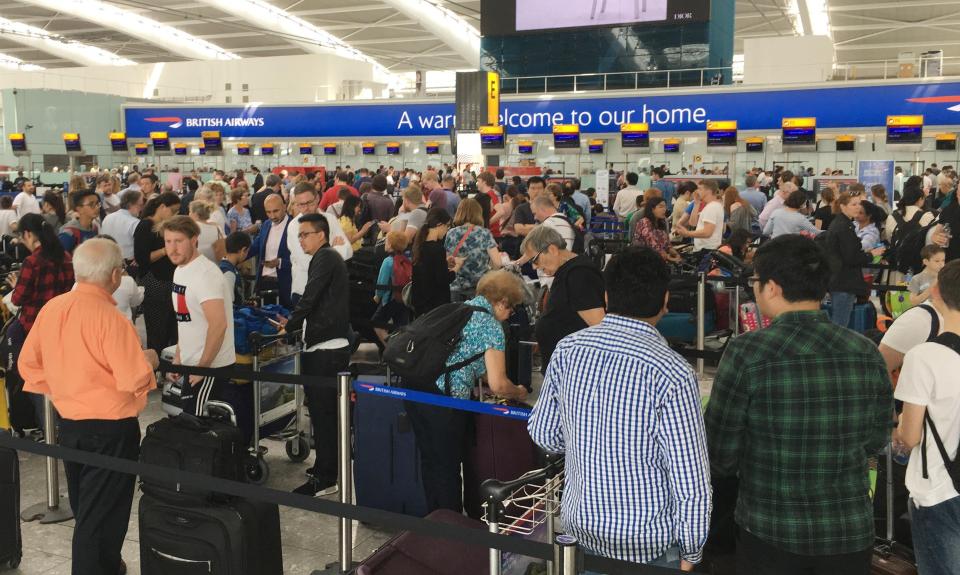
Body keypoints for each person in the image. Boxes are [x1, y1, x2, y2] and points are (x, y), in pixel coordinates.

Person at [705, 234, 893, 575]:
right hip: (849, 529)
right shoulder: (865, 351)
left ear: (773, 287)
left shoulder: (749, 351)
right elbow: (877, 437)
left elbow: (719, 452)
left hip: (770, 527)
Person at [529, 246, 710, 571]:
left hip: (581, 530)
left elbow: (544, 433)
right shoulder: (673, 372)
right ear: (665, 301)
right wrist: (692, 550)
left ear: (607, 297)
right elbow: (690, 479)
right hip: (647, 542)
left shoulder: (569, 350)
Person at [19, 238, 158, 575]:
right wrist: (149, 360)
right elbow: (132, 378)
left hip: (71, 424)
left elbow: (28, 364)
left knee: (88, 508)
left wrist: (64, 386)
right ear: (114, 275)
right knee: (102, 516)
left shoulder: (53, 309)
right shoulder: (110, 320)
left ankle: (110, 566)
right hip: (111, 428)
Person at [406, 270, 528, 512]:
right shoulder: (490, 326)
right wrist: (519, 391)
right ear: (503, 301)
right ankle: (452, 531)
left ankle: (435, 520)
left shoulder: (458, 309)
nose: (510, 315)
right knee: (448, 467)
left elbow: (468, 361)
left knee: (431, 462)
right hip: (446, 402)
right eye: (512, 308)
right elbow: (498, 384)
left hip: (416, 390)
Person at [893, 259, 960, 575]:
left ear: (936, 291)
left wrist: (898, 436)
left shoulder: (925, 356)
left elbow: (910, 437)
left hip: (939, 490)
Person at [279, 214, 352, 496]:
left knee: (323, 416)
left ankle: (325, 478)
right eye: (299, 235)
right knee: (323, 415)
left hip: (326, 349)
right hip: (324, 344)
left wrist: (291, 325)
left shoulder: (325, 258)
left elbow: (310, 297)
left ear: (321, 234)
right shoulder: (327, 258)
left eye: (305, 234)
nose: (301, 239)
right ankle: (325, 467)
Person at [162, 215, 236, 424]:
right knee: (191, 428)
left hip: (210, 367)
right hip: (192, 364)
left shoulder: (206, 274)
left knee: (199, 427)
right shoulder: (180, 271)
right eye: (168, 242)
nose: (172, 248)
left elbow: (218, 325)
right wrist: (178, 358)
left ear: (194, 240)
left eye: (179, 241)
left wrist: (202, 367)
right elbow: (184, 319)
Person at [7, 213, 75, 425]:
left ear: (27, 234)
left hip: (32, 329)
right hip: (61, 327)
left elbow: (18, 299)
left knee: (34, 379)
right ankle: (60, 423)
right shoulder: (65, 257)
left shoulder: (32, 261)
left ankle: (47, 426)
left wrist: (15, 284)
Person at [522, 225, 605, 366]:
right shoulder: (568, 272)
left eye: (534, 260)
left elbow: (599, 327)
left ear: (552, 249)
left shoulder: (579, 274)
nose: (534, 267)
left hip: (575, 368)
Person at [287, 182, 352, 307]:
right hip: (304, 291)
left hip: (330, 291)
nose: (306, 208)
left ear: (317, 198)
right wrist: (333, 248)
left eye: (309, 203)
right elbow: (308, 264)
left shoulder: (330, 219)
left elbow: (348, 251)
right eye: (301, 205)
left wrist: (321, 253)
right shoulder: (294, 226)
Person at [824, 192, 885, 326]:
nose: (858, 207)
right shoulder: (843, 227)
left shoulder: (844, 224)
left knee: (839, 321)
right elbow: (852, 257)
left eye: (859, 204)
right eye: (854, 204)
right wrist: (871, 254)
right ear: (843, 206)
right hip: (844, 280)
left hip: (840, 279)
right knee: (840, 323)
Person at [134, 192, 181, 354]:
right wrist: (165, 250)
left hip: (171, 282)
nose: (175, 215)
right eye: (173, 211)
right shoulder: (145, 226)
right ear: (162, 207)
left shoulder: (168, 227)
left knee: (172, 328)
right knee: (157, 328)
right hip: (154, 282)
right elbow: (142, 259)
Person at [446, 198, 501, 301]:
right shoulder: (484, 233)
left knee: (457, 316)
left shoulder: (451, 233)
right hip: (479, 288)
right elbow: (498, 263)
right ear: (478, 213)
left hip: (455, 287)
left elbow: (447, 261)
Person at [411, 208, 461, 317]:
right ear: (439, 224)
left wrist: (444, 263)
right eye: (447, 226)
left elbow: (427, 270)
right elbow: (443, 279)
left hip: (420, 302)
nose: (447, 230)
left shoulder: (419, 245)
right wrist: (457, 267)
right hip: (435, 305)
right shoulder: (438, 249)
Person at [249, 194, 292, 307]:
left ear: (285, 206)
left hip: (285, 284)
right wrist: (236, 257)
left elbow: (301, 260)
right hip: (263, 283)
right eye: (268, 212)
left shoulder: (294, 226)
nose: (272, 216)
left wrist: (280, 262)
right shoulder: (266, 225)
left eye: (275, 211)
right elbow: (255, 246)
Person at [372, 231, 411, 345]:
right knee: (401, 329)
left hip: (389, 299)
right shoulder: (406, 260)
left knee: (376, 323)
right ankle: (401, 353)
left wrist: (377, 296)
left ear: (390, 245)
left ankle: (390, 348)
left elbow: (382, 282)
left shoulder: (388, 261)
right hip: (404, 298)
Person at [675, 179, 724, 251]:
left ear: (709, 191)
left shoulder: (712, 207)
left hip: (707, 250)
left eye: (700, 189)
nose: (697, 191)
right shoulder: (711, 206)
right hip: (704, 248)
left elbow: (707, 232)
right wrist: (696, 203)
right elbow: (693, 223)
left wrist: (687, 233)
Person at [632, 197, 681, 262]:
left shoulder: (662, 222)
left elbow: (667, 245)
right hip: (644, 259)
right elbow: (653, 245)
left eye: (665, 207)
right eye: (661, 207)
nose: (664, 209)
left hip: (658, 258)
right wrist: (669, 258)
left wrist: (676, 254)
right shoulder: (644, 222)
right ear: (652, 209)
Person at [101, 189, 144, 262]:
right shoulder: (135, 223)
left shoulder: (108, 217)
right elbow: (141, 248)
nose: (141, 208)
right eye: (140, 205)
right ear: (131, 204)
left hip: (108, 259)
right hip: (129, 262)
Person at [59, 189, 100, 253]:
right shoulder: (69, 233)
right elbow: (59, 258)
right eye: (91, 204)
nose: (97, 207)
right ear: (79, 209)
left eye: (97, 203)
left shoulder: (95, 227)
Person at [219, 231, 251, 306]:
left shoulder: (222, 266)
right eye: (247, 251)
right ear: (243, 250)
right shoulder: (229, 273)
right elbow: (229, 305)